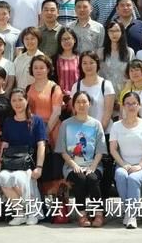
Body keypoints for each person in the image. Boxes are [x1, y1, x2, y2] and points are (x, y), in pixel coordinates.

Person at [55, 90, 108, 227]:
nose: (81, 105)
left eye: (84, 102)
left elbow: (100, 150)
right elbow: (62, 150)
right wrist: (74, 165)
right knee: (80, 179)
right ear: (73, 105)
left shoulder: (96, 124)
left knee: (92, 179)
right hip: (71, 166)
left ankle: (98, 213)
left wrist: (93, 167)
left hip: (93, 164)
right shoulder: (66, 124)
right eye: (78, 102)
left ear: (90, 104)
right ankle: (82, 214)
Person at [0, 88, 46, 226]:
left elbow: (41, 144)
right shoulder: (8, 122)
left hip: (28, 162)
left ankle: (32, 212)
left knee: (19, 178)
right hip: (11, 162)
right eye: (14, 100)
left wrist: (39, 167)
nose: (17, 103)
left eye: (20, 99)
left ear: (26, 100)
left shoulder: (36, 120)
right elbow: (4, 145)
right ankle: (20, 213)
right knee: (3, 178)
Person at [109, 91, 142, 229]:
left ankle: (131, 215)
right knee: (120, 175)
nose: (131, 106)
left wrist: (140, 165)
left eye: (134, 103)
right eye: (128, 104)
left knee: (133, 178)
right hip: (123, 164)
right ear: (123, 106)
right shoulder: (116, 126)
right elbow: (113, 149)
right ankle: (130, 211)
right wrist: (123, 164)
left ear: (139, 106)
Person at [72, 51, 116, 141]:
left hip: (104, 134)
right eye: (84, 63)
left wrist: (97, 134)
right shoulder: (76, 86)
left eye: (91, 63)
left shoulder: (106, 85)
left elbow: (108, 113)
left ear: (97, 64)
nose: (88, 66)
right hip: (83, 135)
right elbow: (75, 112)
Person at [100, 21, 135, 94]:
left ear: (122, 32)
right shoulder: (100, 52)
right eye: (111, 31)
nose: (114, 34)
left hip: (124, 92)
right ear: (107, 33)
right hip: (105, 92)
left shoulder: (129, 52)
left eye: (117, 31)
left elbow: (133, 73)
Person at [52, 27, 80, 96]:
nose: (66, 41)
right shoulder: (54, 59)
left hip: (77, 96)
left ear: (74, 40)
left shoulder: (80, 58)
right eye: (63, 39)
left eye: (69, 38)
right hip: (59, 96)